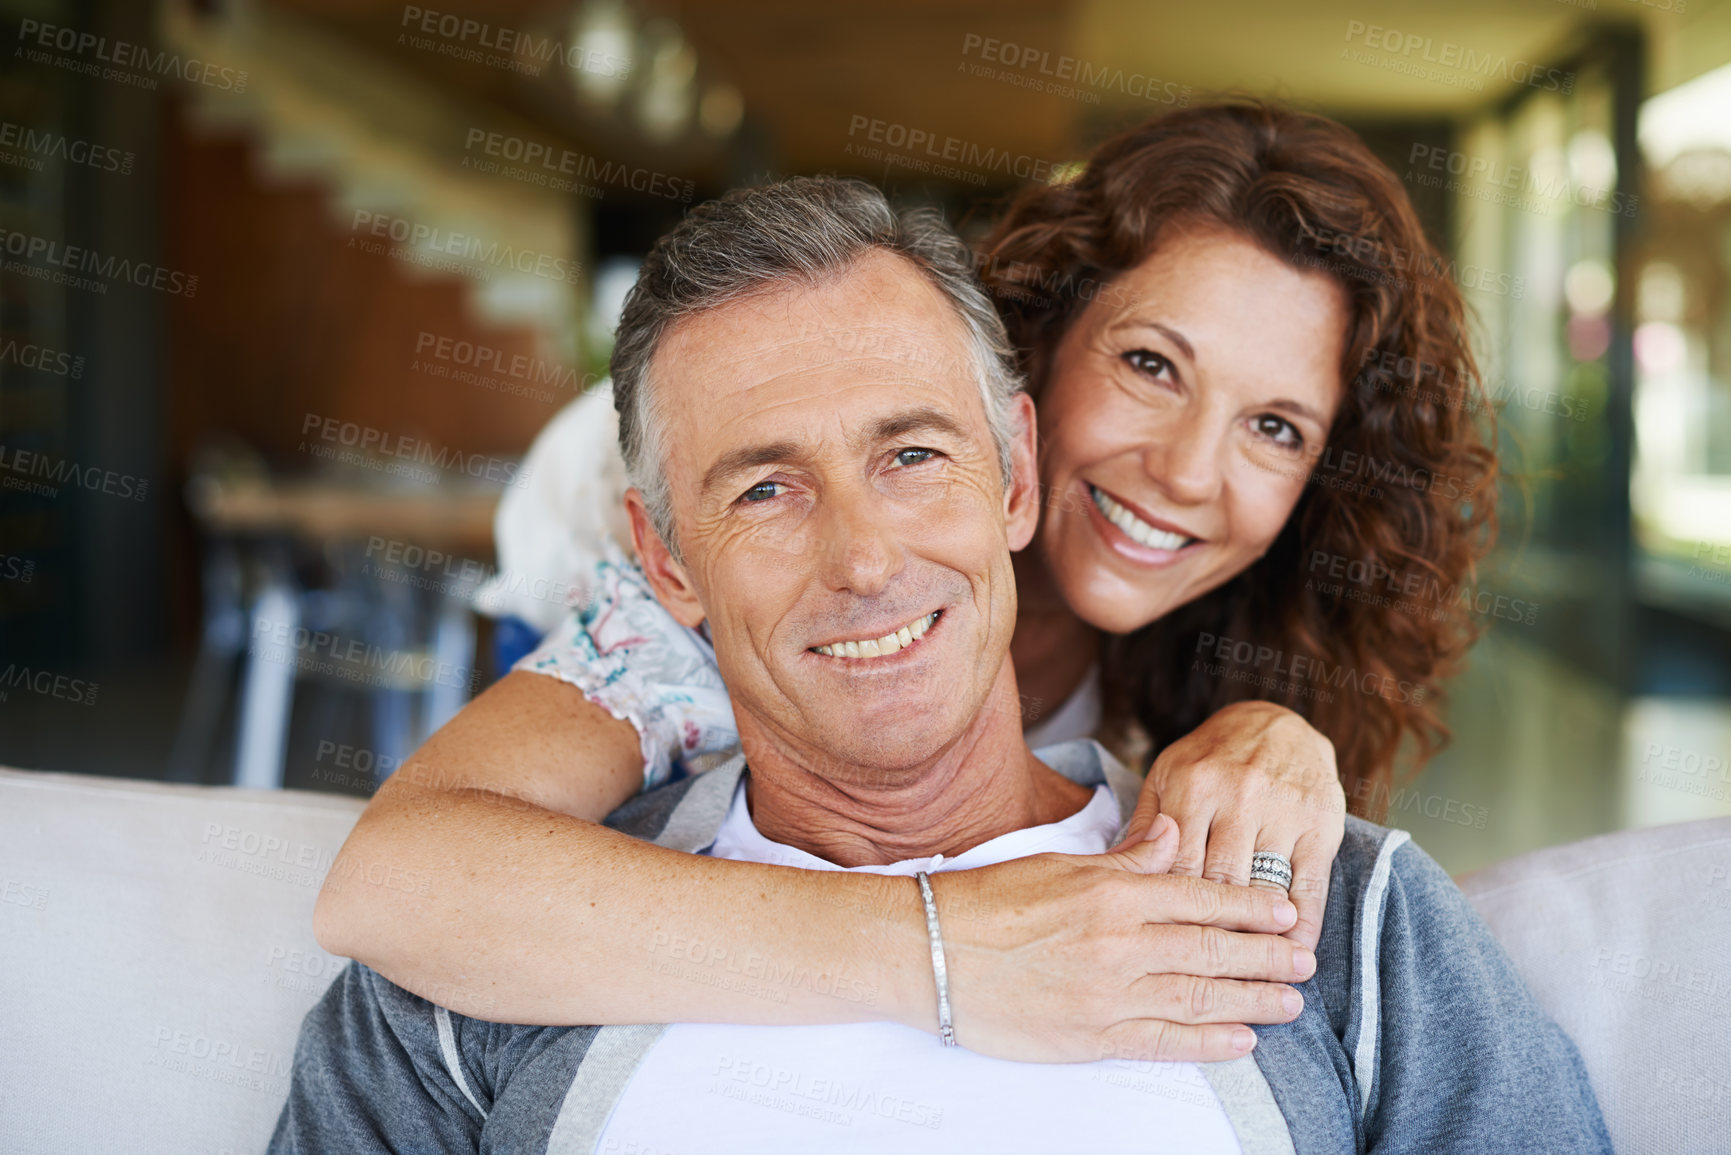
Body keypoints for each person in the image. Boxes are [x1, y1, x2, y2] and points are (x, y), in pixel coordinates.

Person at [273, 177, 1606, 1154]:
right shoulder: (512, 942)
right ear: (663, 560)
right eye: (1150, 366)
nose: (1189, 472)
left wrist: (1274, 728)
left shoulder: (1331, 905)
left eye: (914, 456)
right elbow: (397, 876)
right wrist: (943, 945)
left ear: (1009, 468)